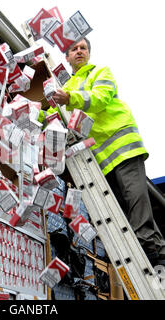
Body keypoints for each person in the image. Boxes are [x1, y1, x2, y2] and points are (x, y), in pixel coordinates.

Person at [50, 37, 165, 267]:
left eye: (83, 48)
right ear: (67, 57)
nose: (79, 51)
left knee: (135, 196)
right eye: (74, 49)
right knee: (123, 204)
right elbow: (55, 116)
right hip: (101, 158)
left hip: (122, 144)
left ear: (89, 54)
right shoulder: (65, 88)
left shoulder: (100, 72)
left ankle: (147, 246)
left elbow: (100, 98)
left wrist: (70, 98)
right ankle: (160, 251)